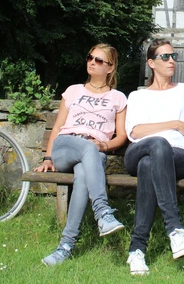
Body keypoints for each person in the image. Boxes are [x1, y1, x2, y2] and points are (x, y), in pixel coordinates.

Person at [34, 43, 128, 266]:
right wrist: (47, 158)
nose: (92, 62)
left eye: (99, 60)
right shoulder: (74, 90)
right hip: (66, 145)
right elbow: (57, 128)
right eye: (90, 57)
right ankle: (103, 212)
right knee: (87, 146)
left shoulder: (118, 98)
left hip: (95, 153)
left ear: (110, 67)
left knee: (84, 175)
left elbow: (121, 136)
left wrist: (105, 146)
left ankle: (65, 246)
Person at [124, 38, 184, 276]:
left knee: (150, 164)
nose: (172, 61)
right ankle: (175, 229)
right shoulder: (138, 96)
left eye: (173, 56)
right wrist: (174, 124)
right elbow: (135, 131)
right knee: (157, 146)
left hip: (179, 158)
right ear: (151, 63)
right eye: (165, 57)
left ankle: (136, 251)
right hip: (139, 150)